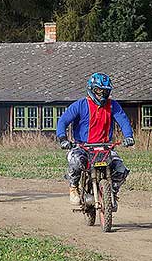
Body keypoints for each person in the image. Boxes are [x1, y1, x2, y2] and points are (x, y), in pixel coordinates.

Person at [56, 72, 135, 207]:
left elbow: (123, 121)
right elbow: (63, 121)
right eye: (98, 90)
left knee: (121, 169)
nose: (102, 94)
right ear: (91, 89)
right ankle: (73, 187)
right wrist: (63, 138)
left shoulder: (112, 105)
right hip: (82, 146)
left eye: (105, 91)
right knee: (75, 162)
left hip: (105, 147)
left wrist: (128, 136)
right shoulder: (80, 105)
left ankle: (112, 192)